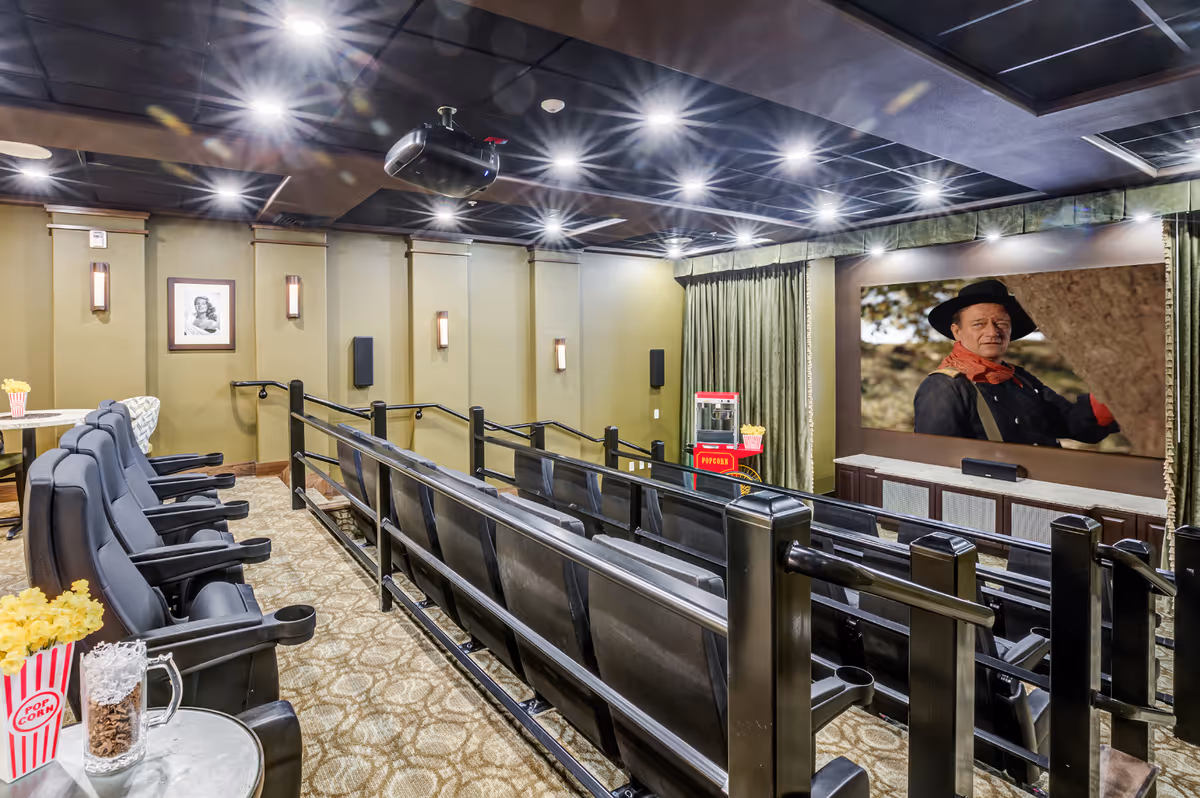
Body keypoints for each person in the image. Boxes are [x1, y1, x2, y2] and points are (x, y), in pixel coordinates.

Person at [913, 279, 1118, 447]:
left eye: (1001, 323)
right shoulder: (944, 387)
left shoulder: (1020, 379)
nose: (993, 332)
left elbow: (1076, 425)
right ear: (957, 332)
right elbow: (937, 463)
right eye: (979, 324)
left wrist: (1112, 386)